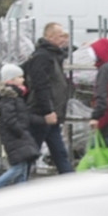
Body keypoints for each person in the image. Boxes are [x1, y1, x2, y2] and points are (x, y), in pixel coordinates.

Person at [0, 63, 43, 192]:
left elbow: (23, 116)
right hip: (15, 137)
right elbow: (10, 119)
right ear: (11, 80)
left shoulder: (15, 96)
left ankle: (20, 194)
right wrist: (20, 131)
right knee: (18, 168)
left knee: (23, 167)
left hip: (18, 136)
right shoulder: (10, 98)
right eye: (20, 77)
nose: (23, 79)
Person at [25, 21, 74, 174]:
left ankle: (71, 182)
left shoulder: (53, 56)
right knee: (31, 154)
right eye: (61, 36)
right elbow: (41, 85)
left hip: (51, 114)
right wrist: (47, 111)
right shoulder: (42, 57)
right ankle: (14, 184)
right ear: (50, 37)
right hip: (43, 114)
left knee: (60, 153)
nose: (64, 39)